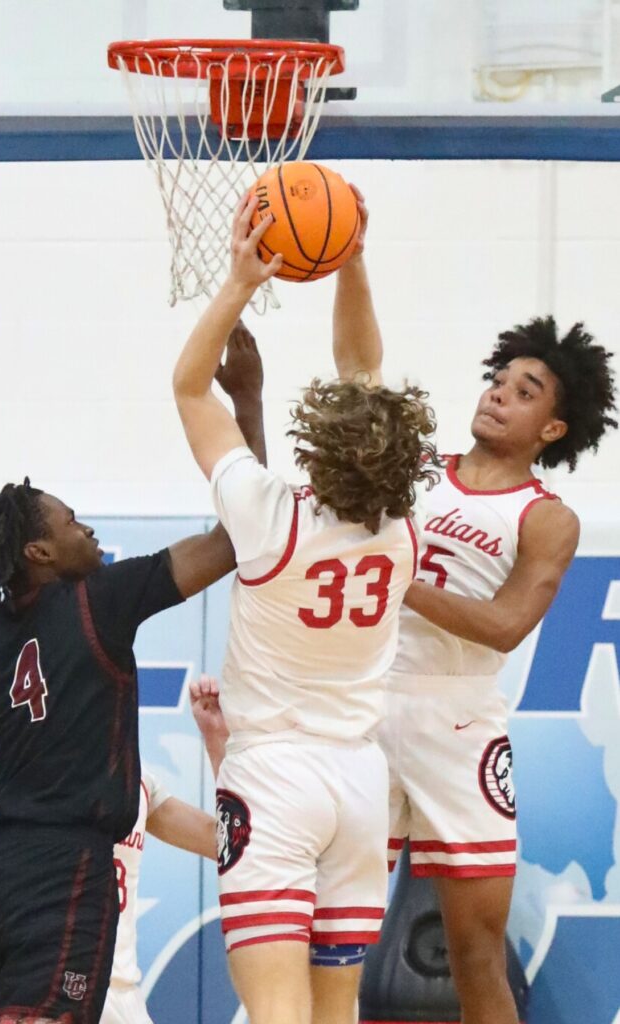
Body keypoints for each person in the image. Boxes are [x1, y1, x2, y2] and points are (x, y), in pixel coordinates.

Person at [0, 331, 265, 1024]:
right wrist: (248, 402)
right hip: (64, 870)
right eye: (73, 522)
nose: (88, 532)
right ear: (39, 551)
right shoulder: (98, 601)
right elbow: (240, 536)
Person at [172, 192, 438, 1024]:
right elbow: (364, 372)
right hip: (359, 784)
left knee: (276, 1011)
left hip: (275, 776)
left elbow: (189, 389)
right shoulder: (403, 533)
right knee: (333, 1012)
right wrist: (350, 261)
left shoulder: (269, 517)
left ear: (317, 450)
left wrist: (239, 283)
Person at [357, 317, 616, 1024]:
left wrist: (400, 581)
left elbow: (506, 624)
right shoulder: (413, 471)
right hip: (366, 705)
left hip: (458, 718)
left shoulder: (544, 517)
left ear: (552, 429)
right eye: (498, 381)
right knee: (331, 935)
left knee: (474, 951)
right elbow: (359, 368)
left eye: (524, 391)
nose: (499, 394)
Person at [101, 765, 216, 1024]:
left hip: (123, 991)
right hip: (60, 985)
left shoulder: (139, 779)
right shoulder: (43, 772)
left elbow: (223, 841)